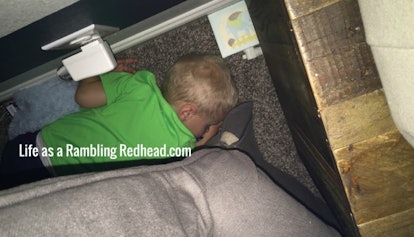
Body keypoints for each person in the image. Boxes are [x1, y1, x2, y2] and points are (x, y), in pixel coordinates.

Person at [0, 53, 238, 189]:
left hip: (35, 148)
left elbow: (84, 96)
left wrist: (103, 73)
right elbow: (198, 144)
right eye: (207, 125)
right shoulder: (180, 145)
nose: (207, 131)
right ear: (186, 112)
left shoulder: (138, 87)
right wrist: (209, 132)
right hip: (57, 184)